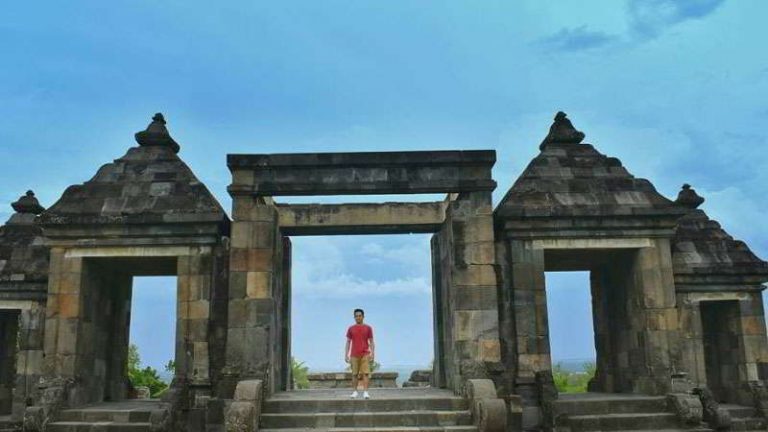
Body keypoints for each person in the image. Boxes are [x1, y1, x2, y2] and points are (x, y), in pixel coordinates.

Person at [344, 308, 375, 399]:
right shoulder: (351, 329)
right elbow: (348, 342)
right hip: (354, 354)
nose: (358, 317)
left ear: (363, 317)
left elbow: (372, 342)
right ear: (354, 317)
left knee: (365, 373)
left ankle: (365, 392)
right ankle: (355, 392)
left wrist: (372, 354)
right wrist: (346, 354)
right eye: (356, 316)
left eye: (360, 316)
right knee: (354, 374)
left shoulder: (368, 328)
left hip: (365, 353)